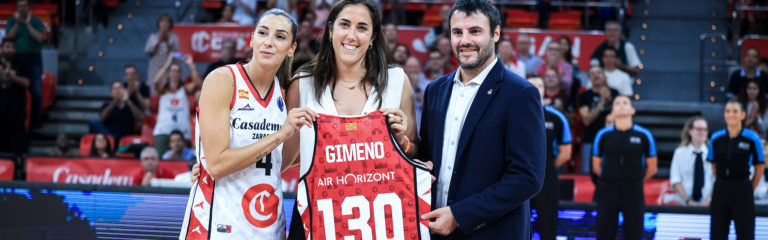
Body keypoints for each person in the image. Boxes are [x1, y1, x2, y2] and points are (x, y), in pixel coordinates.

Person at [282, 0, 426, 238]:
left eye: (361, 27)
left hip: (380, 222)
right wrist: (286, 132)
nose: (351, 35)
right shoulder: (302, 83)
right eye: (344, 25)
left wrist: (402, 142)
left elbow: (413, 152)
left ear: (372, 37)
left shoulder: (396, 80)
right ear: (330, 31)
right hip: (317, 216)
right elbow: (285, 162)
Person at [180, 9, 312, 240]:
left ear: (292, 48)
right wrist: (281, 135)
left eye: (280, 37)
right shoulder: (223, 79)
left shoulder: (284, 94)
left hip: (268, 225)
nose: (269, 42)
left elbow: (277, 162)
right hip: (217, 221)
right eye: (263, 33)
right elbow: (217, 165)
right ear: (252, 39)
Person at [418, 0, 545, 239]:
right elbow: (428, 156)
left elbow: (527, 178)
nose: (465, 41)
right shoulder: (435, 90)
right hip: (434, 231)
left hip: (494, 232)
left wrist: (459, 215)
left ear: (496, 33)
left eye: (475, 31)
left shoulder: (520, 93)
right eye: (457, 32)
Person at [592, 95, 657, 240]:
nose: (621, 105)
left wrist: (634, 179)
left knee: (634, 234)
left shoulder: (644, 135)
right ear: (612, 111)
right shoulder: (602, 135)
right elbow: (596, 167)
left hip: (633, 191)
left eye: (625, 103)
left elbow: (652, 168)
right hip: (608, 190)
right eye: (617, 103)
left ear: (632, 110)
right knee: (604, 234)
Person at [707, 100, 765, 239]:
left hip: (743, 189)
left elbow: (760, 166)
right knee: (717, 234)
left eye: (735, 111)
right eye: (727, 111)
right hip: (721, 189)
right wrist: (722, 179)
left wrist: (750, 187)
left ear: (743, 115)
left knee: (745, 234)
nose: (730, 114)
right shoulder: (716, 138)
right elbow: (713, 164)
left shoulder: (752, 138)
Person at [529, 76, 572, 240]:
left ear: (544, 90)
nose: (536, 88)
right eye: (532, 85)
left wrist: (544, 166)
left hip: (547, 176)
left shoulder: (557, 117)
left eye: (540, 85)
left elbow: (566, 152)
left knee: (548, 224)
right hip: (516, 175)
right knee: (517, 224)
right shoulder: (512, 113)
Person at [152, 53, 201, 155]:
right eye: (172, 71)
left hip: (182, 132)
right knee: (161, 160)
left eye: (177, 71)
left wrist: (191, 66)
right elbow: (156, 81)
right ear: (169, 74)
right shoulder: (163, 90)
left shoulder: (184, 89)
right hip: (163, 131)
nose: (175, 73)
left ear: (180, 74)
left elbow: (197, 83)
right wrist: (167, 64)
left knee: (184, 160)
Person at [578, 65, 619, 173]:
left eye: (599, 72)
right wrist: (601, 102)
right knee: (586, 173)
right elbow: (586, 121)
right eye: (592, 73)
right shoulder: (584, 96)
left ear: (605, 76)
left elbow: (620, 117)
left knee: (611, 172)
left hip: (612, 140)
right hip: (590, 140)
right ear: (589, 78)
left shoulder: (615, 94)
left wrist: (609, 99)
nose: (596, 75)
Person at [666, 116, 714, 206]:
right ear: (690, 131)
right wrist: (688, 201)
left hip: (708, 205)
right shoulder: (679, 153)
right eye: (698, 129)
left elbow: (715, 180)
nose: (702, 132)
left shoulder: (712, 153)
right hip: (683, 204)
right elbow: (676, 180)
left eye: (704, 129)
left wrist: (708, 201)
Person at [0, 37, 29, 155]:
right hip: (0, 113)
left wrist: (11, 76)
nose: (10, 50)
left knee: (17, 149)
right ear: (2, 48)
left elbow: (27, 83)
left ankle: (17, 172)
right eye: (7, 47)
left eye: (12, 47)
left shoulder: (21, 63)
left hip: (16, 114)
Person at [144, 14, 179, 94]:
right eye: (162, 21)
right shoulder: (153, 37)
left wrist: (167, 42)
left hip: (168, 70)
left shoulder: (174, 37)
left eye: (167, 22)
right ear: (159, 23)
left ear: (170, 24)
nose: (164, 24)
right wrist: (159, 41)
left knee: (167, 90)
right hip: (155, 69)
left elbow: (176, 54)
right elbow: (148, 51)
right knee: (154, 91)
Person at [405, 56, 428, 131]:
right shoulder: (399, 84)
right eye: (410, 67)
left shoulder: (428, 84)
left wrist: (416, 87)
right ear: (405, 68)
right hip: (405, 125)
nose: (412, 69)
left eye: (415, 67)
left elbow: (428, 105)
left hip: (421, 124)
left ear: (420, 68)